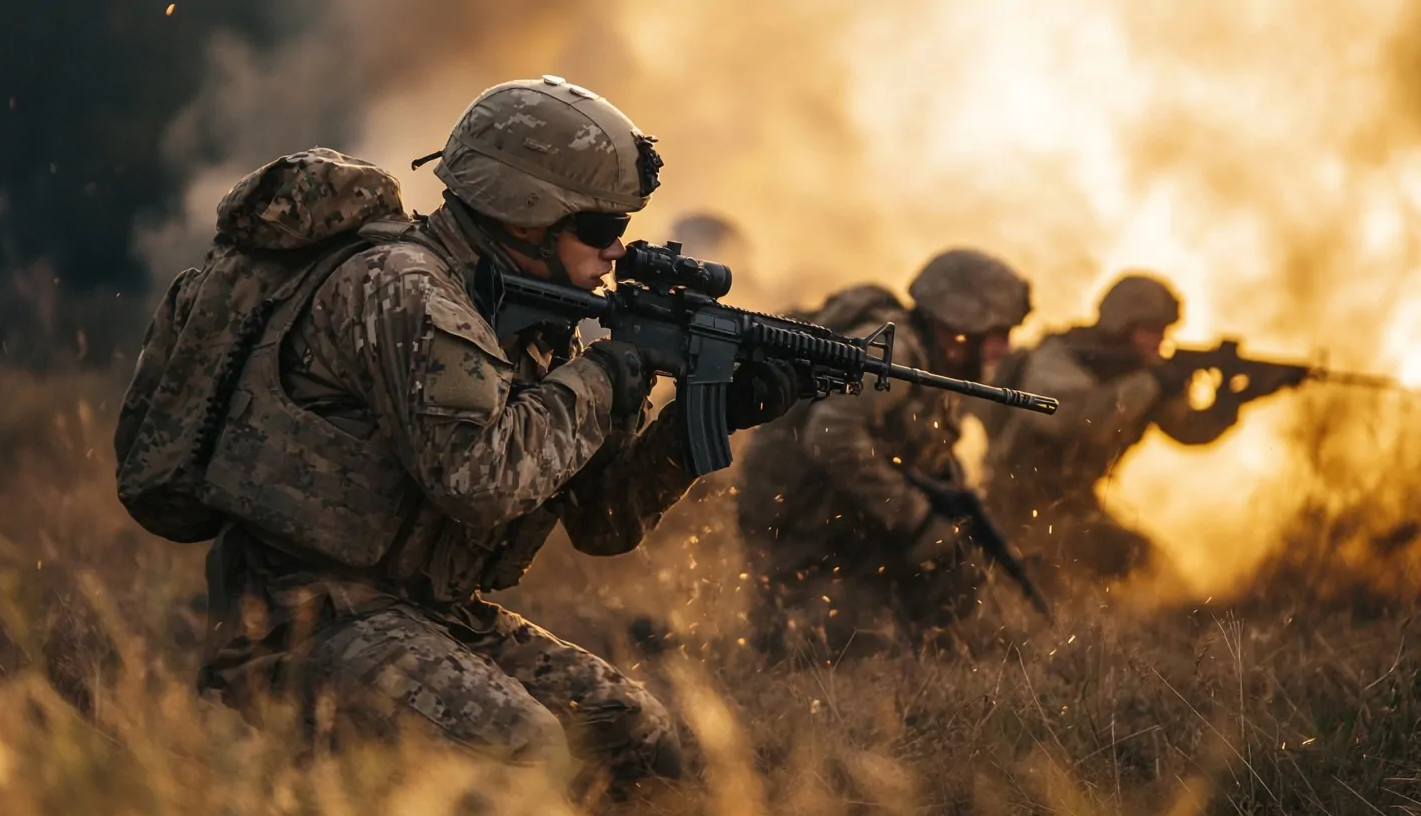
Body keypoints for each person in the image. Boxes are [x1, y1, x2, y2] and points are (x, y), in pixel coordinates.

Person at [115, 76, 799, 794]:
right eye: (599, 229)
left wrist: (704, 425)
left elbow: (604, 522)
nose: (617, 253)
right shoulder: (406, 291)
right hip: (299, 617)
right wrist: (607, 374)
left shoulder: (533, 324)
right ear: (528, 216)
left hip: (428, 612)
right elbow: (479, 482)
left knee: (634, 738)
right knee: (521, 750)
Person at [735, 248, 1033, 662]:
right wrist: (916, 518)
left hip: (850, 523)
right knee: (844, 642)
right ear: (961, 321)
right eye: (999, 332)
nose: (1004, 347)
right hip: (807, 531)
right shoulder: (896, 352)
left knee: (955, 567)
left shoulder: (937, 362)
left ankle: (918, 642)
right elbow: (829, 434)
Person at [980, 272, 1292, 581]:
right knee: (1107, 562)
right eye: (1152, 331)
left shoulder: (1145, 374)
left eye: (1164, 332)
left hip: (1075, 506)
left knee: (1153, 569)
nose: (1160, 341)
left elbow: (1189, 430)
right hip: (1017, 508)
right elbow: (1076, 420)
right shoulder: (1060, 358)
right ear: (1122, 324)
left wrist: (1232, 400)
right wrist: (1153, 382)